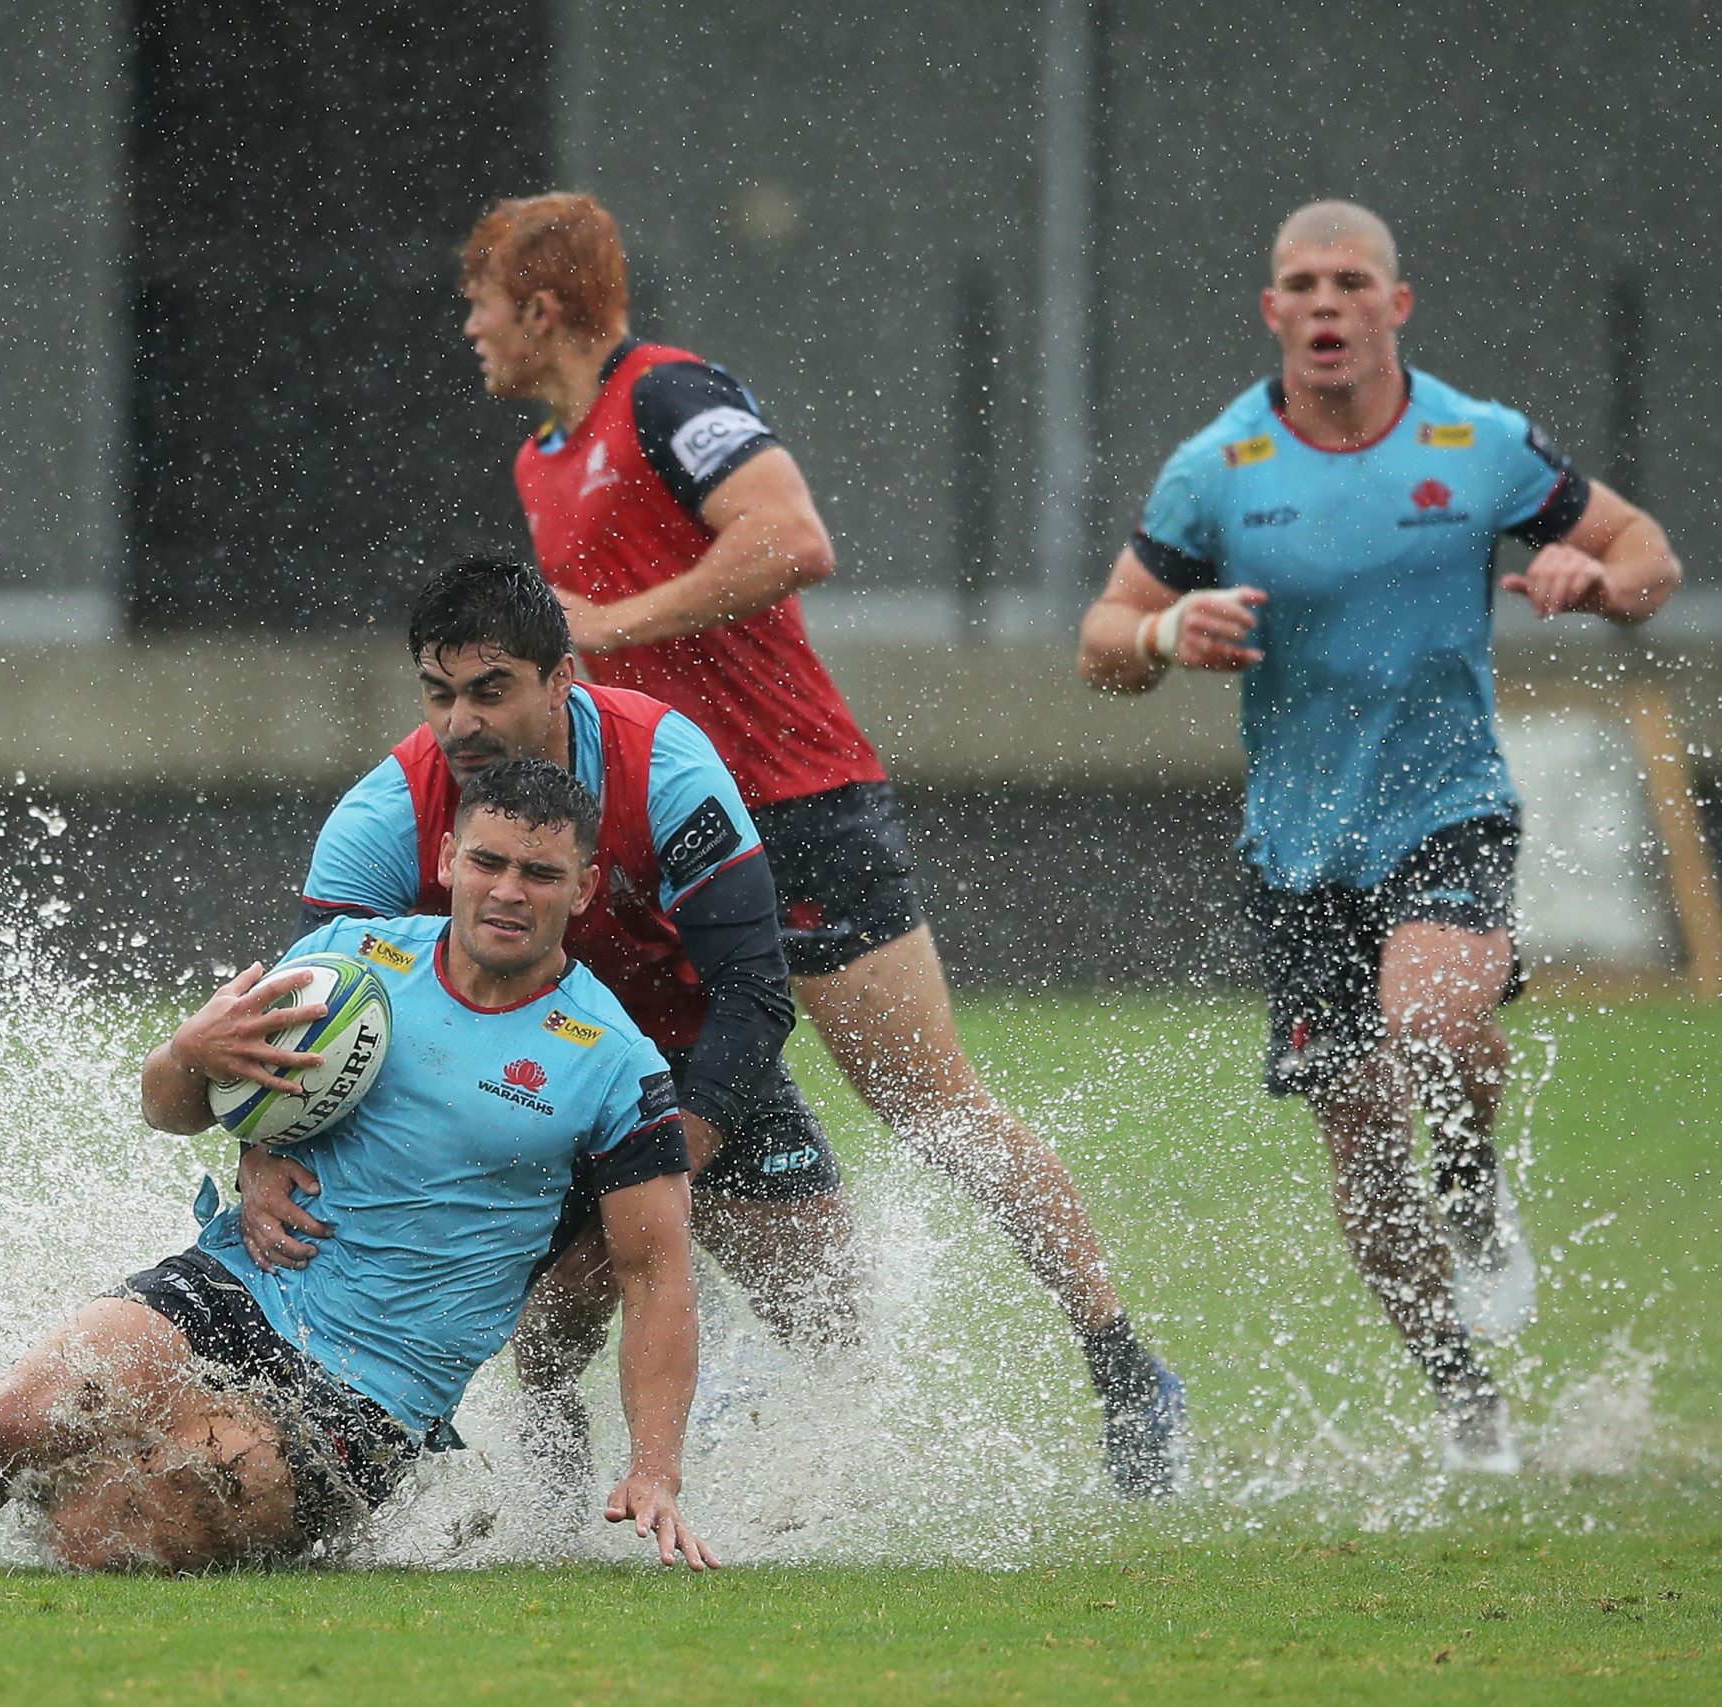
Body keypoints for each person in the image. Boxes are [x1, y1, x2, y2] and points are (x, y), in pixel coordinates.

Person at [450, 191, 1185, 1493]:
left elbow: (794, 538)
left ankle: (1124, 1361)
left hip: (797, 806)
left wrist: (613, 622)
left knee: (928, 1100)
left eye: (480, 304)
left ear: (540, 308)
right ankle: (605, 1389)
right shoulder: (535, 463)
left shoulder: (669, 397)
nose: (471, 331)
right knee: (622, 1097)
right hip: (656, 839)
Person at [1077, 200, 1682, 1471]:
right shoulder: (1219, 467)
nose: (1325, 304)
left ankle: (1472, 1195)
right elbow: (1102, 639)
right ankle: (1463, 1392)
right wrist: (1159, 636)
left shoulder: (1477, 444)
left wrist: (1597, 585)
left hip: (1445, 806)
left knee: (1435, 1024)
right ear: (1272, 314)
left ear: (1395, 306)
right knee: (1357, 1136)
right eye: (1300, 284)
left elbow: (1644, 555)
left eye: (1350, 281)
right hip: (1296, 851)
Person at [0, 759, 717, 1572]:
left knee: (112, 1528)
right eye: (489, 862)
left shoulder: (614, 1061)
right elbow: (171, 1108)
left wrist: (655, 1469)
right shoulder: (346, 964)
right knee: (16, 1417)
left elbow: (656, 1273)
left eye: (540, 872)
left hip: (370, 1397)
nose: (508, 891)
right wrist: (188, 1051)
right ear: (447, 858)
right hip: (235, 1286)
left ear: (586, 886)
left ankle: (134, 1496)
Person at [248, 559, 846, 1481]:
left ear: (563, 678)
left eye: (491, 691)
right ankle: (551, 1494)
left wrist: (656, 1167)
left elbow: (756, 989)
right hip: (507, 1069)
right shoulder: (386, 814)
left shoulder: (666, 767)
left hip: (686, 1050)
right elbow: (298, 1020)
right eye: (440, 694)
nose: (462, 724)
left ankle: (814, 1477)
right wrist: (260, 1149)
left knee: (830, 1311)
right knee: (558, 1324)